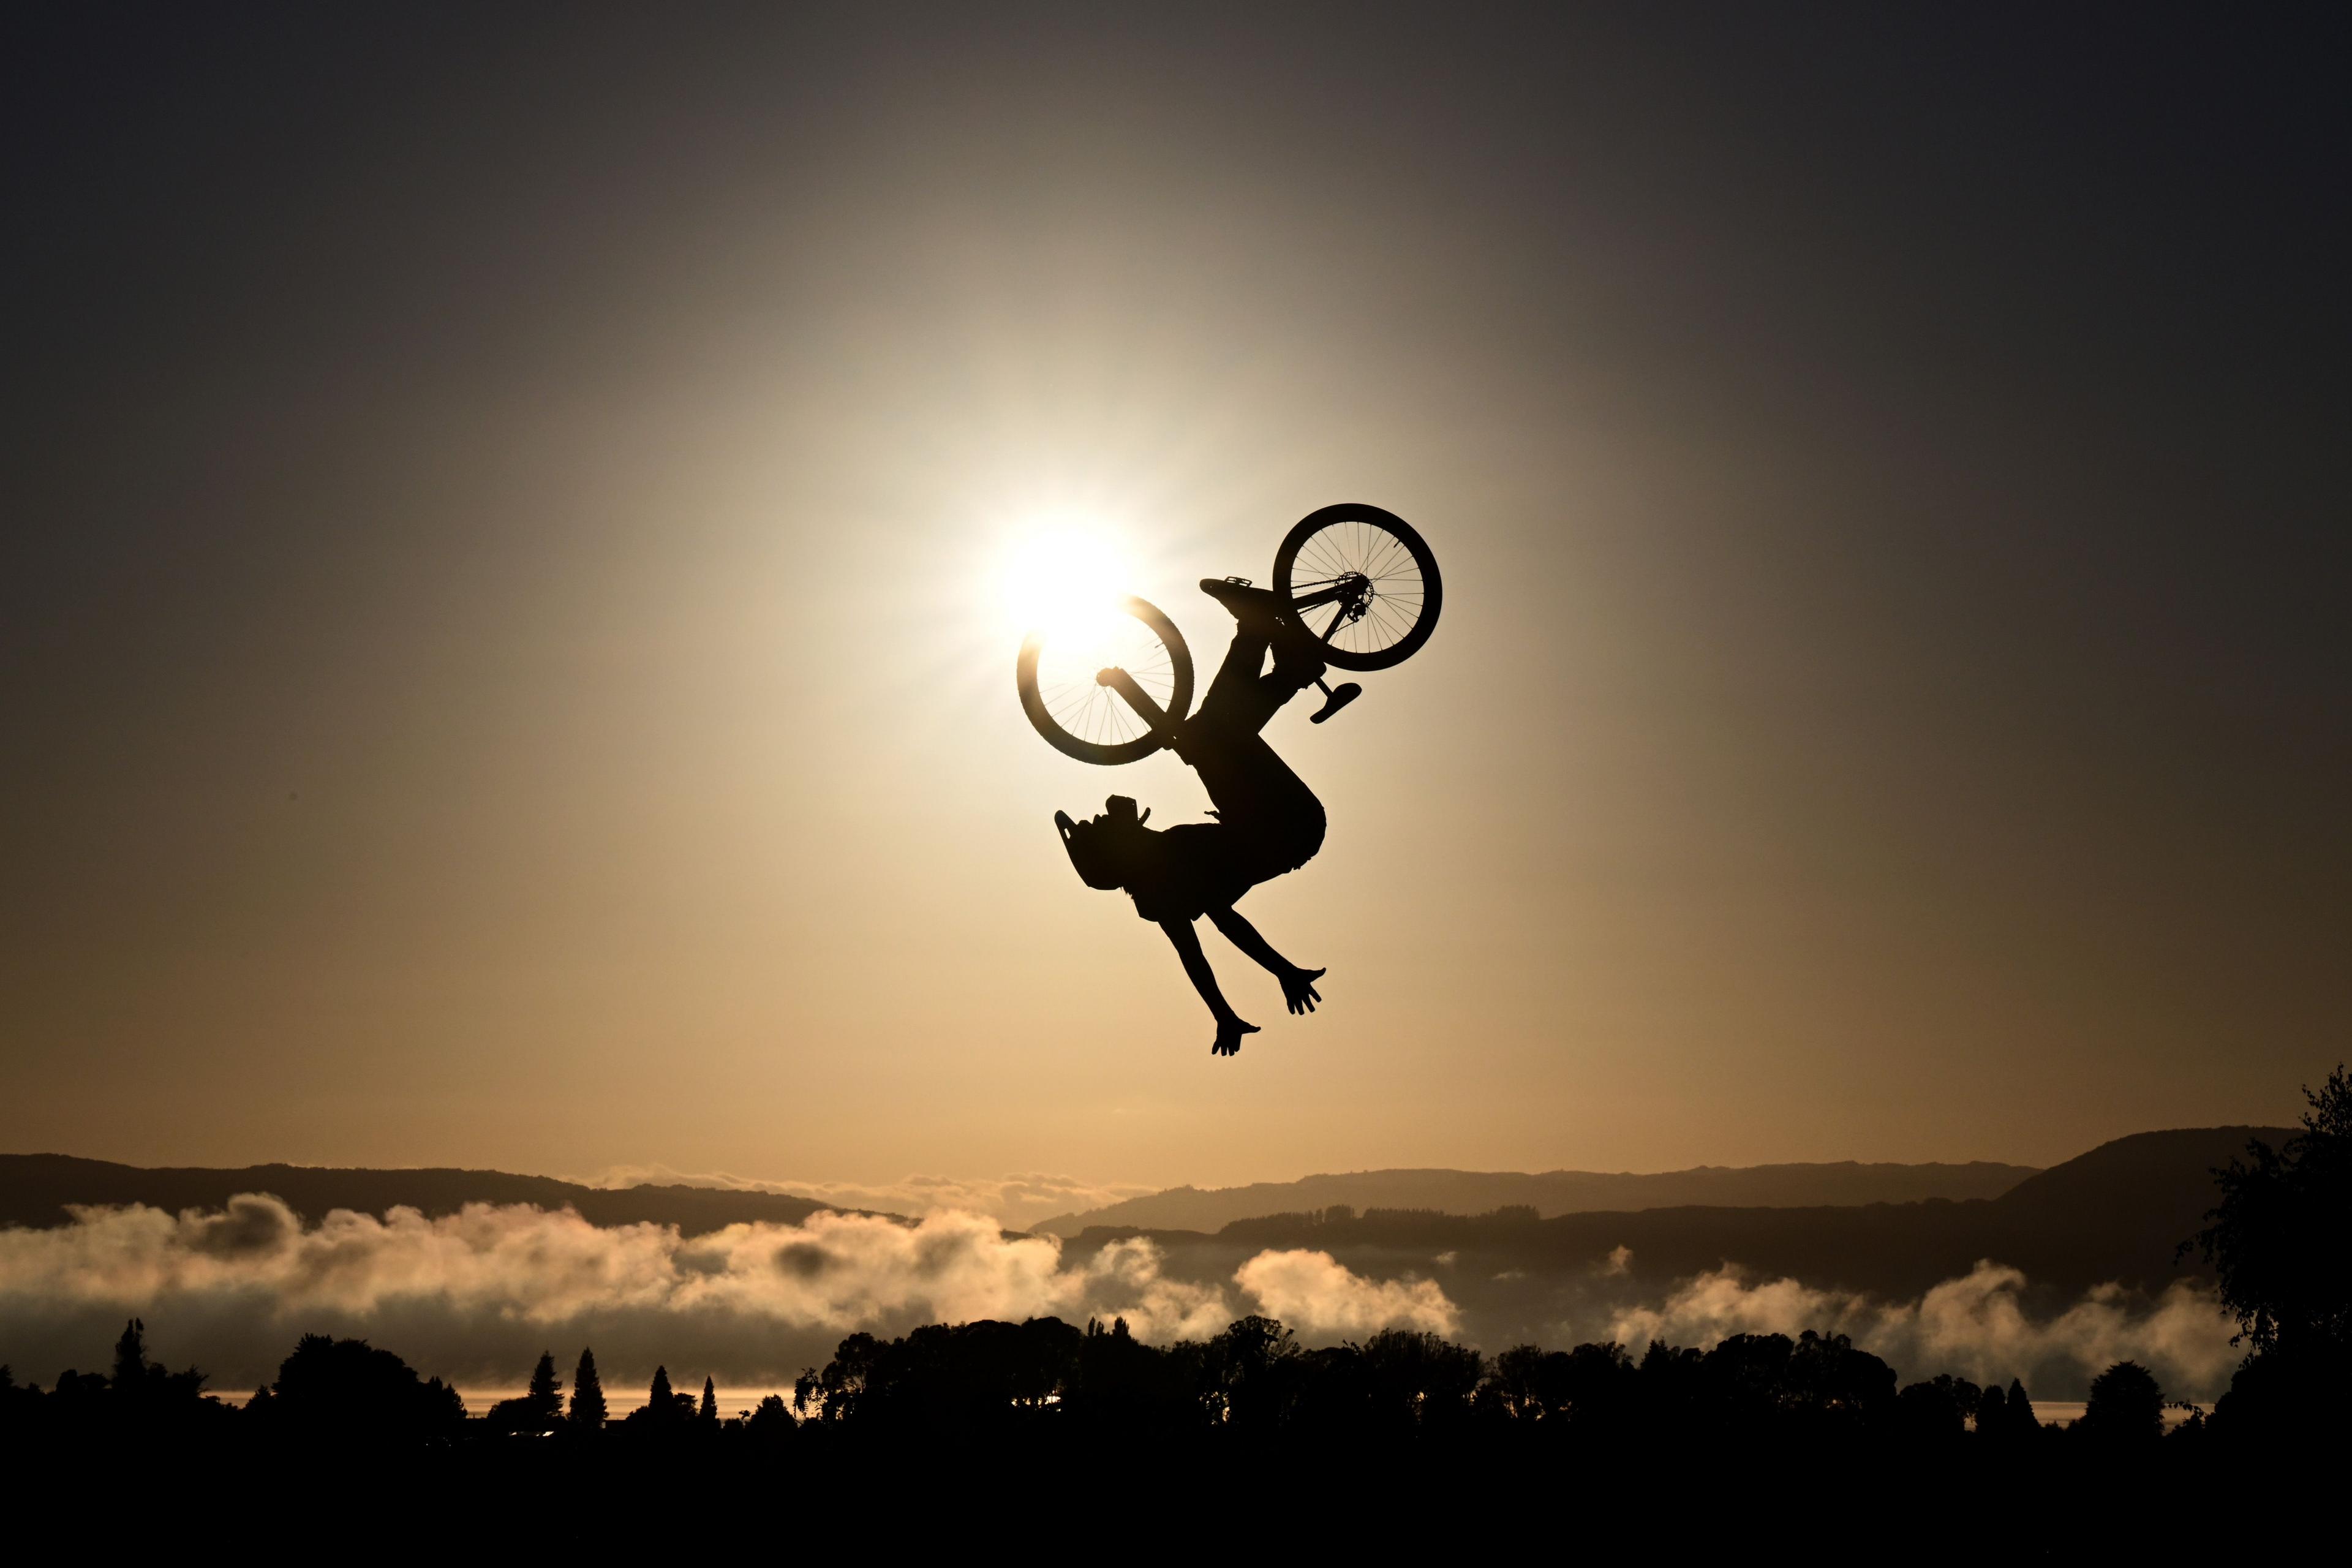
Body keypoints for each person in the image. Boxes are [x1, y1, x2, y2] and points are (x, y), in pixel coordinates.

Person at [1055, 579, 1331, 1055]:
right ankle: (1266, 639)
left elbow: (1196, 952)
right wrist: (1279, 973)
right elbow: (1217, 935)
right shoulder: (1165, 882)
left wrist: (1229, 1011)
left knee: (1205, 734)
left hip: (1273, 823)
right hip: (1285, 826)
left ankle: (1275, 651)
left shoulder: (1159, 874)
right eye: (1104, 827)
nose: (1105, 815)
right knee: (1207, 738)